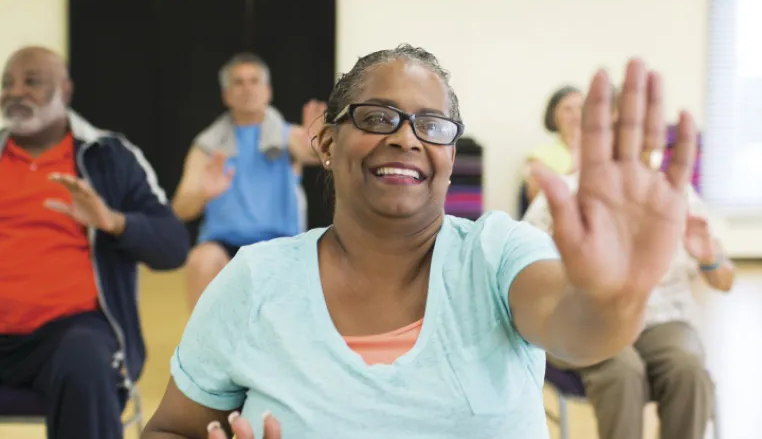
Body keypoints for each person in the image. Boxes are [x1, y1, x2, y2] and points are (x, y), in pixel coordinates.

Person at [142, 44, 699, 439]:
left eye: (432, 125)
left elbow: (580, 335)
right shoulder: (254, 280)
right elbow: (170, 428)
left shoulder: (498, 254)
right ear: (328, 143)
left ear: (450, 159)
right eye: (379, 116)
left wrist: (615, 294)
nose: (407, 137)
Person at [0, 46, 189, 438]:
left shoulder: (110, 157)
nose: (15, 91)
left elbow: (173, 247)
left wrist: (113, 221)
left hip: (70, 335)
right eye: (7, 83)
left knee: (85, 360)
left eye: (31, 81)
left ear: (65, 91)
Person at [523, 150, 733, 439]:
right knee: (622, 371)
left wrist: (710, 257)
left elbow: (724, 280)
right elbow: (526, 282)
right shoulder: (562, 196)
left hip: (662, 321)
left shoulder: (678, 196)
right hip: (583, 323)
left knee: (688, 371)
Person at [171, 52, 324, 309]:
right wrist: (204, 194)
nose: (247, 88)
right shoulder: (206, 147)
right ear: (226, 95)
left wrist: (322, 146)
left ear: (268, 91)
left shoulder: (288, 136)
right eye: (238, 82)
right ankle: (205, 348)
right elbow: (180, 210)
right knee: (201, 260)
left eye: (254, 81)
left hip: (281, 245)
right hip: (224, 246)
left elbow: (314, 154)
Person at [522, 85, 583, 204]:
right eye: (567, 109)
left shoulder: (606, 151)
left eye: (581, 108)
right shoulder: (539, 156)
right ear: (553, 117)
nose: (576, 115)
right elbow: (537, 200)